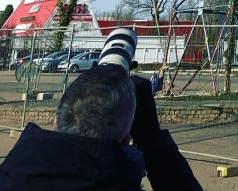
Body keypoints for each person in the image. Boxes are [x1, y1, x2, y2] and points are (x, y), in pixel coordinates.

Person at [0, 59, 202, 190]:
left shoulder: (9, 176)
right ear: (126, 141)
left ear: (55, 122)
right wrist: (152, 139)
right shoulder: (121, 181)